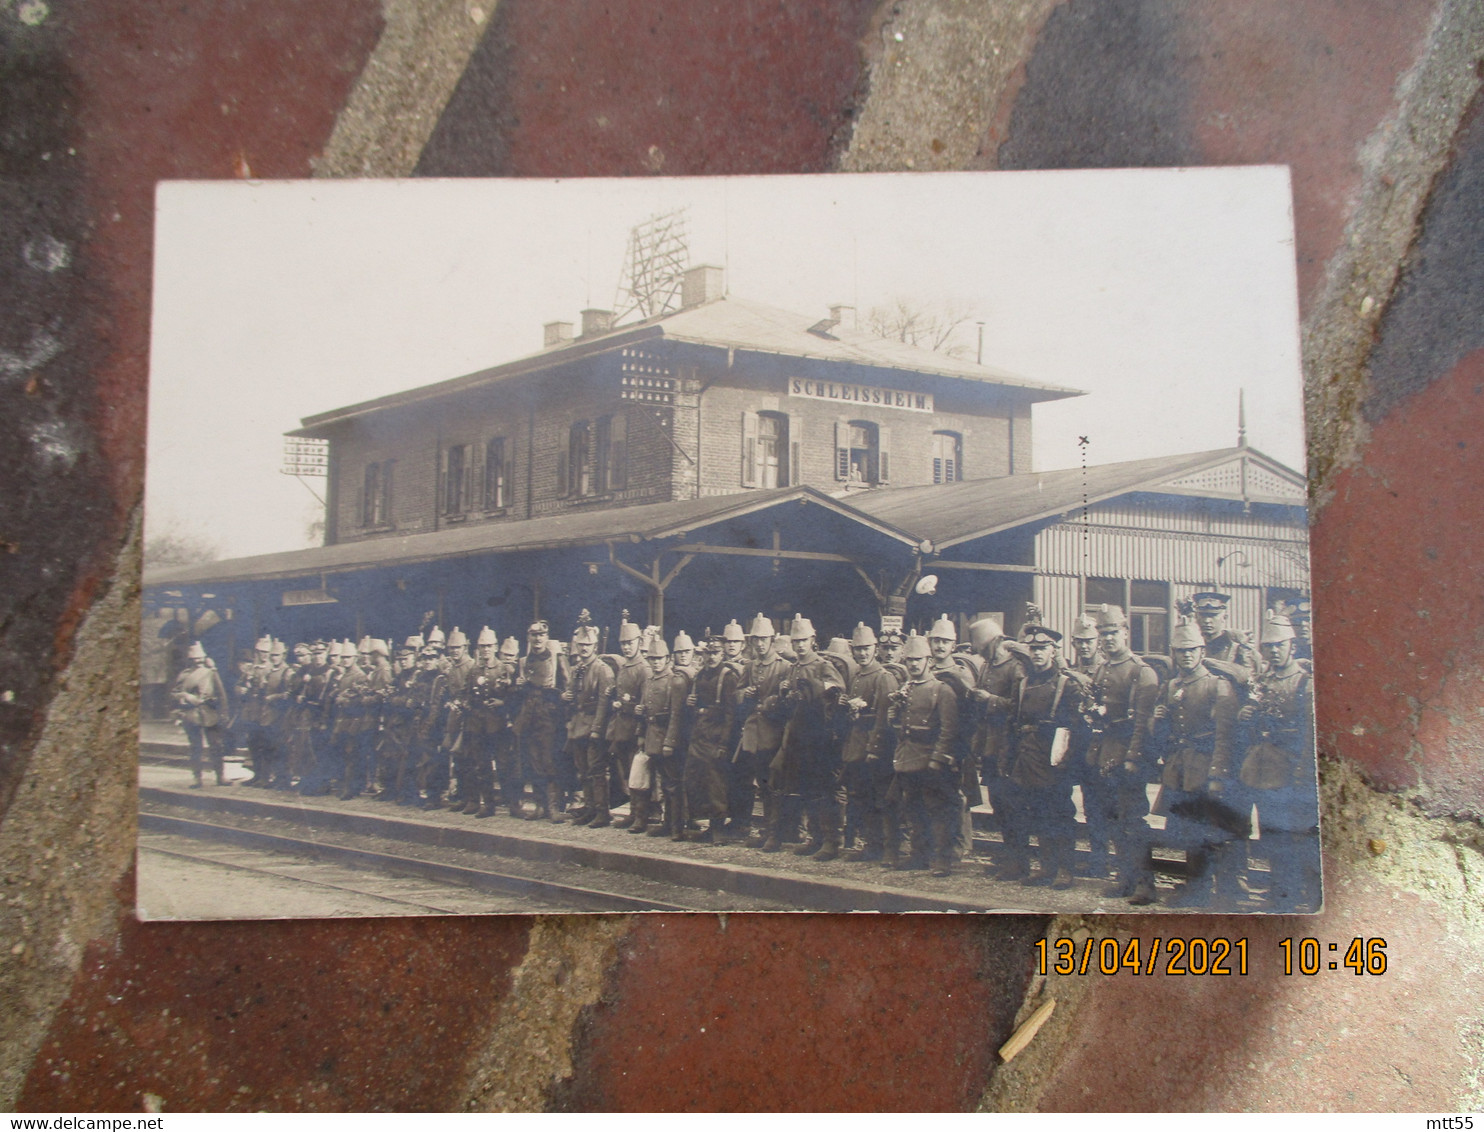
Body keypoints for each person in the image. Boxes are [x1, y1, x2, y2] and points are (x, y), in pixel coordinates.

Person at [1148, 617, 1242, 907]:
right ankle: (1195, 887)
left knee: (1212, 831)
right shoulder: (1172, 684)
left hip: (1205, 767)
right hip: (1179, 769)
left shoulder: (1218, 685)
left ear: (1202, 652)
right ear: (1173, 653)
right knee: (1187, 831)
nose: (1186, 655)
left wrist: (1217, 775)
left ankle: (1222, 893)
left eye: (1192, 650)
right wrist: (1158, 720)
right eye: (1180, 650)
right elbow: (1163, 733)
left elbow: (1225, 735)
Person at [1237, 613, 1319, 910]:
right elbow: (1252, 721)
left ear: (1292, 647)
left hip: (1289, 769)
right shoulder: (1262, 681)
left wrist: (1303, 771)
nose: (1273, 651)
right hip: (1261, 767)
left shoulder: (1304, 683)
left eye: (1279, 645)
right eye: (1268, 646)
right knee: (1269, 832)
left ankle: (1290, 894)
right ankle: (1277, 890)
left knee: (1290, 835)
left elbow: (1309, 733)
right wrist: (1246, 714)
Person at [1081, 605, 1160, 904]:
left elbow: (1141, 723)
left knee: (1133, 821)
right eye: (1103, 633)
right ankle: (1125, 878)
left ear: (1126, 633)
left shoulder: (1141, 671)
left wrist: (1132, 758)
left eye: (1113, 633)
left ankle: (1145, 883)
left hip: (1128, 755)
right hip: (1105, 753)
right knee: (1113, 819)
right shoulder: (1103, 668)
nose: (1107, 639)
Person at [1001, 625, 1085, 889]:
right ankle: (1047, 868)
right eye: (1033, 648)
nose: (1037, 653)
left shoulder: (1066, 684)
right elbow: (1012, 722)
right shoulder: (1023, 683)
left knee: (1059, 814)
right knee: (1037, 813)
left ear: (1053, 650)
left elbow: (1076, 728)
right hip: (1027, 758)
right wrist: (1009, 757)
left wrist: (1066, 762)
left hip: (1053, 760)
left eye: (1043, 648)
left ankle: (1065, 870)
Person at [767, 617, 846, 859]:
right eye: (796, 641)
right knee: (806, 789)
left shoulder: (823, 666)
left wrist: (814, 688)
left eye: (803, 640)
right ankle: (816, 837)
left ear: (812, 640)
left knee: (824, 789)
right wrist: (783, 695)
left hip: (819, 737)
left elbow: (837, 693)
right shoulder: (793, 669)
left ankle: (832, 840)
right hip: (798, 737)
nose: (800, 645)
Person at [886, 631, 960, 875]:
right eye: (910, 660)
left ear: (929, 661)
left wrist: (937, 759)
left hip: (931, 760)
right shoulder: (906, 688)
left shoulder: (941, 690)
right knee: (913, 809)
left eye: (919, 660)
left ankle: (942, 859)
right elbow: (902, 726)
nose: (914, 664)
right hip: (908, 757)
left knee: (938, 811)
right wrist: (893, 718)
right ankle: (919, 854)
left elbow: (949, 729)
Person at [839, 623, 899, 863]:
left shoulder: (883, 677)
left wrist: (875, 748)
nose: (862, 653)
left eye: (867, 649)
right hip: (856, 745)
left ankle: (890, 848)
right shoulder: (857, 676)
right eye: (858, 649)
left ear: (875, 649)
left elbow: (885, 718)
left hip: (876, 748)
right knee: (862, 797)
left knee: (883, 799)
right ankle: (872, 845)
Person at [734, 613, 791, 848]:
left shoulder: (784, 667)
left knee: (775, 786)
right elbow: (736, 694)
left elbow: (788, 704)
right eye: (756, 639)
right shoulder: (750, 666)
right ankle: (768, 830)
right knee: (762, 785)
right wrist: (744, 694)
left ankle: (776, 833)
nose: (759, 644)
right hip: (754, 735)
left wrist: (773, 702)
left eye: (764, 639)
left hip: (773, 734)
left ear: (773, 639)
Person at [684, 635, 741, 843]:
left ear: (723, 653)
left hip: (717, 737)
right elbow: (695, 706)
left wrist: (724, 743)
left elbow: (730, 714)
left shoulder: (728, 677)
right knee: (697, 780)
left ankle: (719, 829)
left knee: (716, 783)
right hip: (699, 734)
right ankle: (708, 823)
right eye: (708, 652)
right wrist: (691, 703)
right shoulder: (700, 676)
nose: (711, 657)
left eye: (716, 652)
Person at [514, 620, 569, 822]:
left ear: (546, 637)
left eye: (541, 635)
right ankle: (539, 805)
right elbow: (516, 695)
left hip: (549, 718)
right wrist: (518, 686)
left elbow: (568, 686)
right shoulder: (522, 662)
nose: (537, 639)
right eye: (533, 635)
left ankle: (553, 807)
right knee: (533, 760)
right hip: (529, 717)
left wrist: (560, 698)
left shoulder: (556, 659)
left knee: (549, 761)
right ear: (528, 637)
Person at [563, 619, 616, 825]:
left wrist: (597, 729)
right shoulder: (576, 669)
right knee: (583, 769)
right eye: (581, 645)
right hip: (578, 724)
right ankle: (590, 808)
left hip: (594, 724)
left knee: (596, 769)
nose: (584, 649)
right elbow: (572, 693)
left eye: (588, 645)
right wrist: (566, 698)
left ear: (595, 647)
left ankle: (602, 812)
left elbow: (604, 702)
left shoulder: (602, 669)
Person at [605, 619, 648, 828]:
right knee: (627, 771)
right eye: (623, 644)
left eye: (630, 642)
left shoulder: (644, 669)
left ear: (639, 642)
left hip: (636, 727)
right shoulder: (624, 666)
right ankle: (633, 812)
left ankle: (642, 816)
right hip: (622, 727)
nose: (627, 647)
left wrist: (640, 728)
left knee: (639, 772)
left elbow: (646, 702)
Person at [171, 641, 228, 787]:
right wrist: (185, 695)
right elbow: (174, 693)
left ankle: (220, 776)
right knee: (195, 747)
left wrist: (224, 713)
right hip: (191, 714)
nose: (198, 662)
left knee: (216, 745)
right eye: (194, 659)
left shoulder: (211, 672)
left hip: (210, 713)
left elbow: (221, 694)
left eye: (200, 659)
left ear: (204, 658)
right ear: (190, 660)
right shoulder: (184, 675)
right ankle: (197, 778)